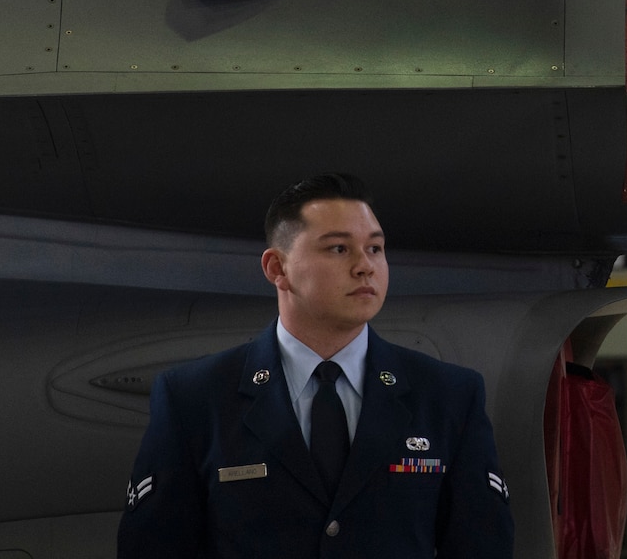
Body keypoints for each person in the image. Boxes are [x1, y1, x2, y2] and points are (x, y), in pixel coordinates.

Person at [117, 174, 514, 559]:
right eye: (339, 249)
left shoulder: (448, 396)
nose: (365, 266)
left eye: (375, 248)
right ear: (278, 269)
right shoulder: (194, 398)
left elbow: (481, 547)